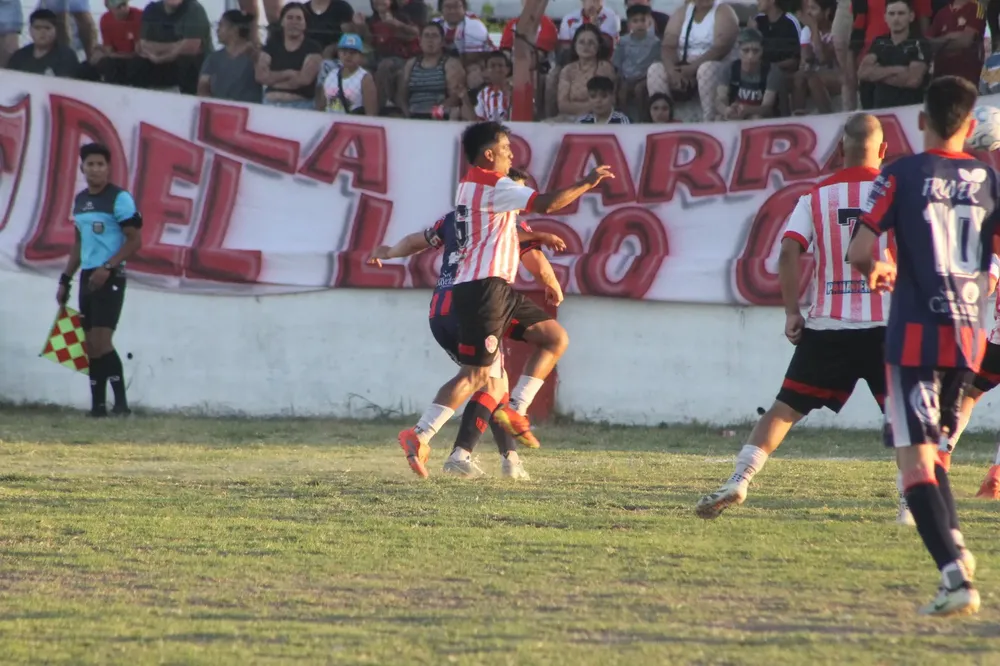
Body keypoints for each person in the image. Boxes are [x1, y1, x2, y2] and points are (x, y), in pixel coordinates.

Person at [847, 75, 996, 616]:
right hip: (968, 338)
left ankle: (955, 578)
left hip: (913, 334)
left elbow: (860, 251)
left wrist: (882, 267)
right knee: (933, 456)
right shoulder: (988, 178)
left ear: (920, 119)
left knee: (914, 463)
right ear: (970, 120)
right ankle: (956, 550)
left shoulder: (901, 173)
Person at [695, 113, 892, 520]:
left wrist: (791, 312)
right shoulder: (896, 194)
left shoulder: (815, 197)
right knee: (909, 421)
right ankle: (912, 505)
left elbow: (788, 252)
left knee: (784, 409)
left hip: (828, 327)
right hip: (887, 327)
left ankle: (740, 479)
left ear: (840, 150)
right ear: (884, 151)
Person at [396, 121, 613, 479]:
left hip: (492, 291)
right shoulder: (495, 186)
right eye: (507, 149)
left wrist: (538, 237)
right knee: (478, 376)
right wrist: (588, 183)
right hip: (483, 291)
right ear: (489, 153)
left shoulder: (472, 187)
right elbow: (547, 203)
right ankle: (420, 435)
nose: (512, 155)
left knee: (554, 337)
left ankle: (513, 410)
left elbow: (515, 232)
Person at [368, 169, 569, 478]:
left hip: (440, 311)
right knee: (493, 373)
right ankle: (431, 437)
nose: (515, 201)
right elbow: (533, 258)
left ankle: (493, 459)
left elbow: (415, 240)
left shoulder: (454, 219)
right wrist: (551, 279)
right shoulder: (504, 223)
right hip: (477, 303)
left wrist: (389, 251)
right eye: (512, 193)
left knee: (492, 381)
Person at [56, 144, 143, 419]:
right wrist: (65, 279)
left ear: (108, 168)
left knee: (103, 341)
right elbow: (79, 243)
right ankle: (97, 407)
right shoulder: (81, 201)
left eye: (100, 164)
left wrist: (108, 266)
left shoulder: (119, 199)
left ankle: (122, 404)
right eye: (90, 164)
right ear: (82, 168)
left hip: (110, 276)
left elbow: (134, 240)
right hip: (87, 277)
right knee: (90, 344)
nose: (95, 169)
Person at [856, 0, 931, 110]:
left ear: (911, 16)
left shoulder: (919, 43)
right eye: (892, 14)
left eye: (901, 13)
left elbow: (913, 80)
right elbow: (862, 73)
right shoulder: (879, 42)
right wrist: (899, 70)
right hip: (879, 109)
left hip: (910, 110)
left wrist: (877, 74)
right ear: (885, 17)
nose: (896, 19)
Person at [197, 9, 262, 102]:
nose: (217, 30)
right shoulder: (213, 58)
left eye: (221, 25)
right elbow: (203, 85)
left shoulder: (255, 55)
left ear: (234, 29)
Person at [7, 9, 79, 77]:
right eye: (37, 28)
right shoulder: (19, 56)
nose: (42, 32)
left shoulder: (66, 56)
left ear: (56, 30)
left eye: (47, 28)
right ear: (30, 30)